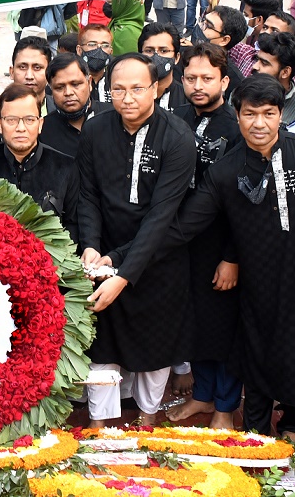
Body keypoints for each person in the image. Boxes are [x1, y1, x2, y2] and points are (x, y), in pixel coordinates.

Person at [173, 74, 295, 438]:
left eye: (268, 114)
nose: (259, 124)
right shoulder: (225, 171)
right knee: (257, 351)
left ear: (281, 114)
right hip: (257, 281)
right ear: (237, 116)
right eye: (250, 114)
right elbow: (187, 224)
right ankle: (255, 430)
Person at [78, 53, 196, 425]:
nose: (127, 98)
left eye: (137, 89)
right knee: (103, 343)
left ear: (157, 88)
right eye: (118, 89)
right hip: (105, 253)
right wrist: (92, 246)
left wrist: (124, 274)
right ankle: (99, 424)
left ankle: (147, 421)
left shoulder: (177, 137)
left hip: (159, 258)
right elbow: (88, 195)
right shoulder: (95, 130)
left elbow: (162, 216)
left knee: (155, 345)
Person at [166, 42, 243, 429]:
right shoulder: (174, 118)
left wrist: (232, 256)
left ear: (224, 81)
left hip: (221, 243)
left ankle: (225, 406)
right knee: (193, 322)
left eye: (207, 78)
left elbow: (245, 201)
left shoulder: (237, 125)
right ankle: (202, 395)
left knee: (224, 326)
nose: (198, 85)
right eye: (191, 78)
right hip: (181, 241)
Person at [0, 84, 78, 241]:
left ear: (40, 124)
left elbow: (73, 226)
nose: (20, 128)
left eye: (29, 120)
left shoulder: (65, 167)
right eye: (11, 120)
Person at [40, 53, 105, 157]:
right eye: (59, 87)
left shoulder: (113, 118)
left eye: (75, 84)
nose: (68, 92)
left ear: (89, 83)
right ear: (51, 90)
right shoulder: (43, 131)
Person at [190, 5, 248, 98]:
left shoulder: (235, 82)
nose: (200, 27)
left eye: (208, 26)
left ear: (224, 40)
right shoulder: (184, 56)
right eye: (202, 21)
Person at [251, 31, 295, 126]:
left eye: (264, 63)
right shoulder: (239, 95)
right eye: (256, 59)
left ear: (285, 72)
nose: (255, 66)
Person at [138, 21, 187, 110]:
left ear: (177, 57)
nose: (156, 56)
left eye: (164, 51)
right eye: (149, 51)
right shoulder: (130, 97)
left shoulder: (187, 99)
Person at [10, 36, 53, 114]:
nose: (29, 76)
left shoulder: (60, 110)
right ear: (12, 72)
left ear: (48, 73)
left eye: (37, 67)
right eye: (22, 67)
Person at [76, 23, 113, 103]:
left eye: (105, 45)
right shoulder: (71, 81)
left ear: (111, 51)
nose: (98, 50)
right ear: (79, 50)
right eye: (92, 44)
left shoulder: (115, 82)